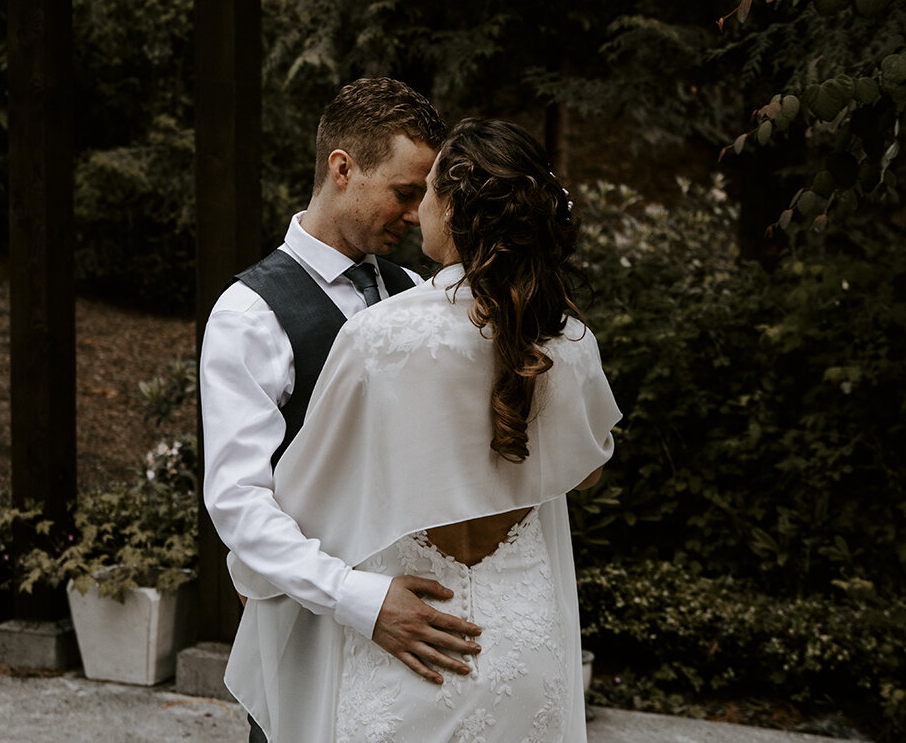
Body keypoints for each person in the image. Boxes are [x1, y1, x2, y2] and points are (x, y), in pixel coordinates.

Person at [225, 117, 623, 742]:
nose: (416, 214)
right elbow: (588, 466)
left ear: (456, 209)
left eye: (426, 191)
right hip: (522, 639)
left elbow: (301, 495)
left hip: (410, 644)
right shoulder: (568, 341)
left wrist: (253, 576)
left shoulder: (382, 337)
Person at [200, 78, 479, 743]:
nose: (417, 215)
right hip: (313, 625)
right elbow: (239, 502)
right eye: (404, 192)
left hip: (417, 629)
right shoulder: (249, 313)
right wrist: (361, 600)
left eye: (423, 195)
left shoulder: (417, 291)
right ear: (343, 169)